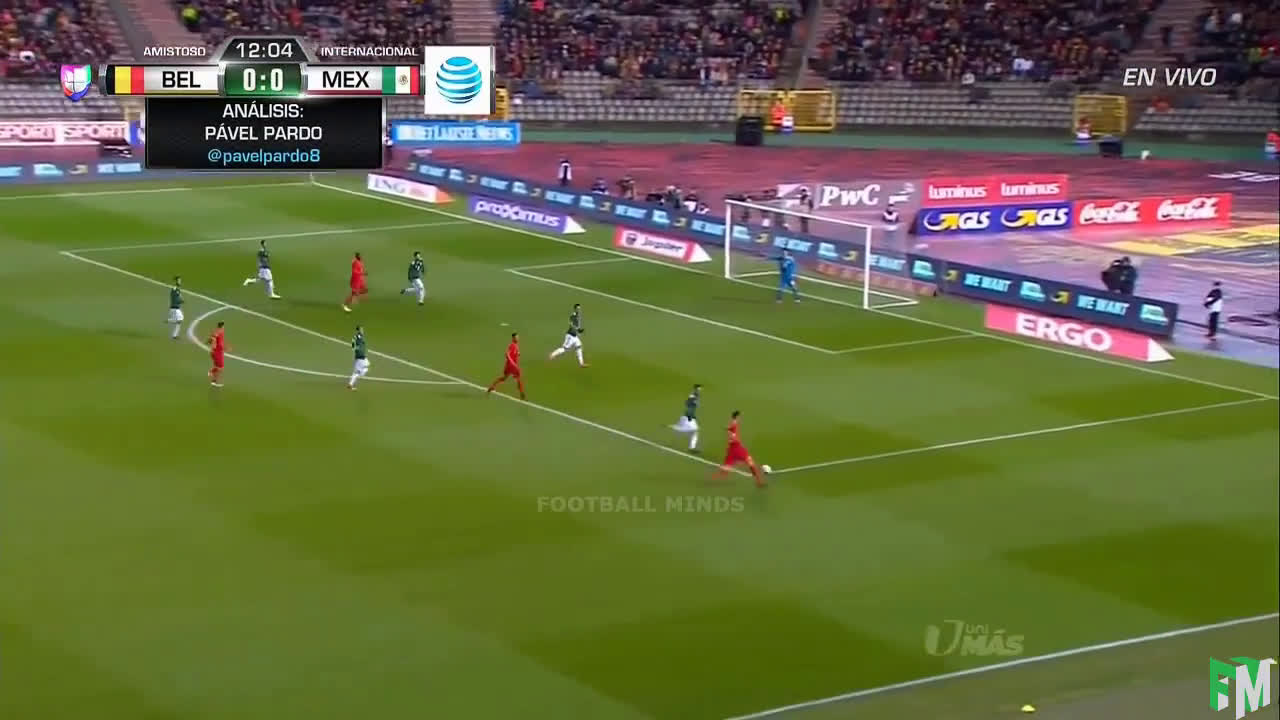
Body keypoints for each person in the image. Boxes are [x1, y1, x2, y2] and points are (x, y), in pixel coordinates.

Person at [712, 410, 765, 487]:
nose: (740, 418)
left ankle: (712, 479)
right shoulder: (734, 423)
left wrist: (727, 429)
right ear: (737, 416)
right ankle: (759, 481)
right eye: (739, 416)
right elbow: (732, 427)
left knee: (725, 470)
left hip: (731, 449)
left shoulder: (732, 424)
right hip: (737, 448)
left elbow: (730, 429)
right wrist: (730, 430)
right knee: (751, 463)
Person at [487, 332, 526, 399]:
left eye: (518, 337)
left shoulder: (516, 345)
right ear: (513, 338)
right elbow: (507, 354)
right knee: (518, 378)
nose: (517, 338)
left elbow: (515, 353)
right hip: (512, 366)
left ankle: (492, 386)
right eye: (516, 337)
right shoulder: (512, 345)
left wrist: (518, 353)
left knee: (504, 378)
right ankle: (522, 394)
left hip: (510, 365)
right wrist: (512, 362)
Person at [548, 303, 588, 367]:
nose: (579, 310)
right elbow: (571, 325)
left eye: (580, 309)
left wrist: (579, 330)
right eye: (578, 308)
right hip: (570, 336)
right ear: (575, 309)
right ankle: (552, 355)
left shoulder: (578, 316)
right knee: (565, 349)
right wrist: (578, 329)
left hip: (575, 336)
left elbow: (577, 325)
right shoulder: (573, 316)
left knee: (579, 347)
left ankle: (581, 363)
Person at [670, 384, 701, 452]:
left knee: (692, 431)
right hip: (689, 417)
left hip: (687, 417)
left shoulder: (695, 395)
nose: (700, 389)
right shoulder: (693, 396)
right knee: (692, 430)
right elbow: (687, 402)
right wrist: (693, 401)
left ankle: (691, 448)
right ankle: (672, 427)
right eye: (699, 388)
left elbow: (688, 402)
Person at [347, 325, 370, 390]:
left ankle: (350, 384)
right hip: (360, 356)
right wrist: (358, 349)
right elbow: (353, 347)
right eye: (361, 330)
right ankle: (352, 382)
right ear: (358, 330)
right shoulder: (357, 337)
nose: (362, 331)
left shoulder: (360, 337)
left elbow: (356, 346)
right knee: (365, 369)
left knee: (361, 369)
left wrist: (362, 349)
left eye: (362, 329)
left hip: (359, 356)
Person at [208, 320, 227, 387]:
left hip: (216, 351)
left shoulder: (216, 331)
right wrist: (214, 347)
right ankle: (214, 382)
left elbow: (210, 339)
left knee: (217, 366)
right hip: (217, 352)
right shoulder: (219, 332)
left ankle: (211, 372)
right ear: (222, 326)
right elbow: (213, 339)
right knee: (220, 368)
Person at [167, 275, 184, 340]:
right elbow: (174, 297)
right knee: (180, 319)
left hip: (176, 308)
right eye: (179, 280)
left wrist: (181, 300)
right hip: (174, 308)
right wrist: (180, 301)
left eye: (180, 280)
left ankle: (175, 335)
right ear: (176, 281)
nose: (180, 282)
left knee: (179, 321)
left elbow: (178, 297)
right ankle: (169, 320)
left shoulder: (177, 289)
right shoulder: (175, 289)